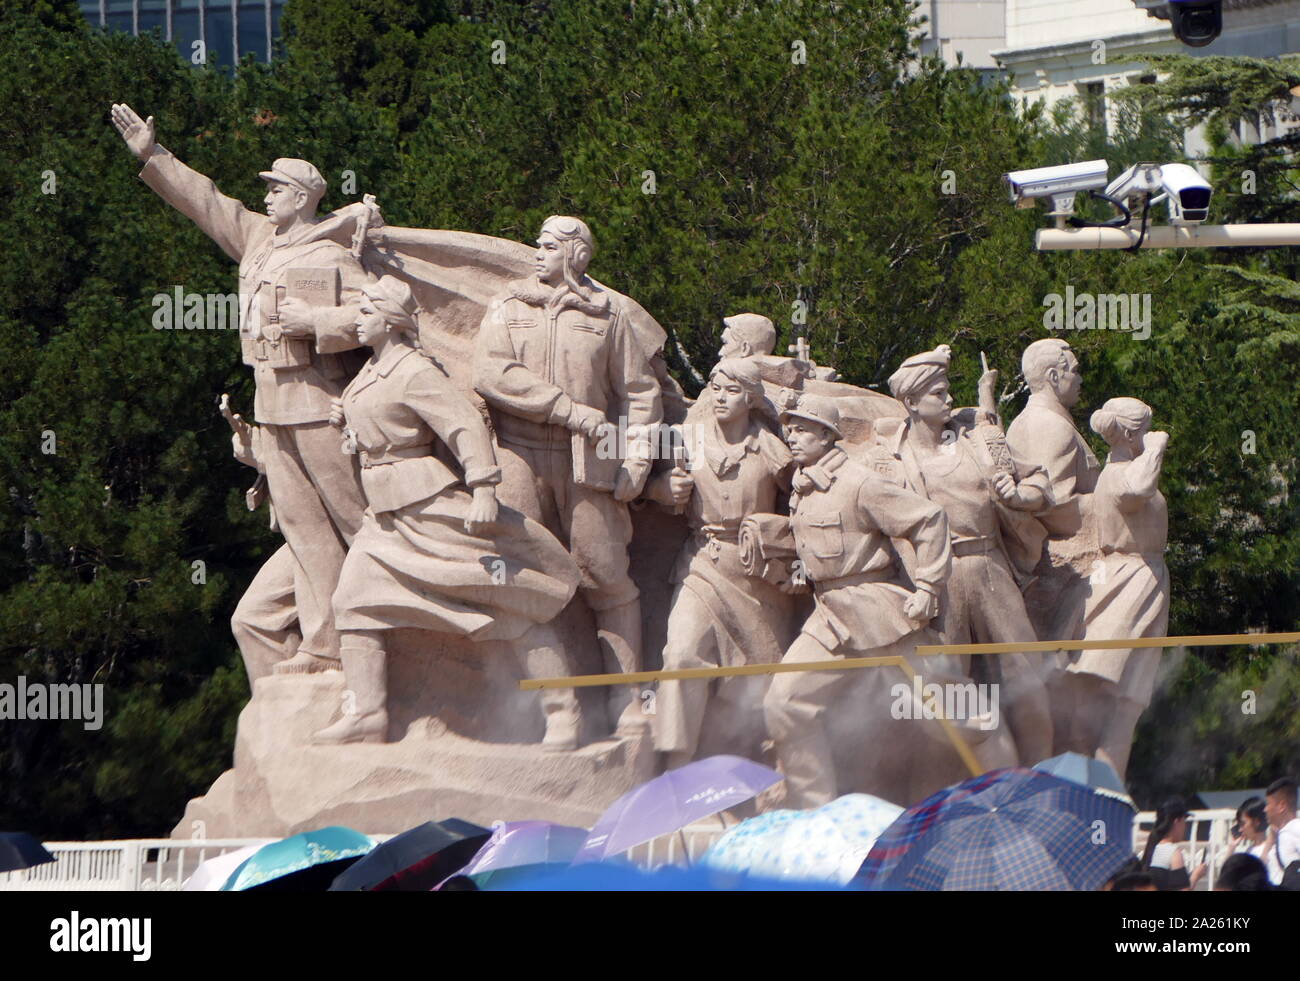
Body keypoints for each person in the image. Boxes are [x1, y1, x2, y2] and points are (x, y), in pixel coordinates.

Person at [111, 103, 371, 675]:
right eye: (268, 189)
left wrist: (317, 324)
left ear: (302, 196)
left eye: (277, 188)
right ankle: (325, 646)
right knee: (305, 532)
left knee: (359, 523)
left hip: (320, 406)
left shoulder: (330, 253)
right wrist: (154, 156)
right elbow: (206, 202)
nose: (268, 196)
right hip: (273, 407)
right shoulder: (258, 239)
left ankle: (402, 628)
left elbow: (374, 319)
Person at [313, 276, 582, 748]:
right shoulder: (373, 370)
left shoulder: (415, 370)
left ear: (392, 320)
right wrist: (351, 424)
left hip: (429, 507)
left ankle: (563, 711)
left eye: (366, 310)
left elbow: (463, 425)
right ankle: (367, 715)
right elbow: (383, 427)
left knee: (510, 598)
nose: (357, 318)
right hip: (385, 516)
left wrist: (482, 488)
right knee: (352, 604)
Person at [472, 216, 662, 736]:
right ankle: (559, 709)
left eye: (550, 245)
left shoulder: (610, 314)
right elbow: (490, 372)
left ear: (577, 255)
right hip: (519, 455)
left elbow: (640, 393)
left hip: (590, 463)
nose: (537, 251)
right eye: (537, 243)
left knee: (605, 576)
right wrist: (565, 409)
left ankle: (629, 702)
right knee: (520, 575)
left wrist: (638, 460)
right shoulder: (509, 306)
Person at [762, 394, 953, 809]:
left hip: (881, 615)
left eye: (802, 429)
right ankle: (816, 813)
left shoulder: (858, 482)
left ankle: (1007, 783)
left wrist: (928, 588)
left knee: (957, 713)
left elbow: (929, 519)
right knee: (784, 702)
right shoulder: (802, 485)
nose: (791, 436)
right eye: (789, 429)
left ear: (827, 436)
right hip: (829, 618)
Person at [869, 345, 1054, 766]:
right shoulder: (889, 459)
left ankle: (1041, 771)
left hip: (988, 566)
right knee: (945, 688)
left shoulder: (978, 439)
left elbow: (1039, 480)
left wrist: (1022, 495)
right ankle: (961, 780)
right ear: (911, 403)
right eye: (938, 393)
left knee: (1027, 673)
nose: (949, 399)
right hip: (935, 578)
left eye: (949, 390)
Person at [641, 358, 796, 767]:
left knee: (761, 677)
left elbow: (802, 504)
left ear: (750, 397)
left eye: (731, 390)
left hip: (756, 575)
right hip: (701, 565)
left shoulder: (772, 448)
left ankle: (755, 770)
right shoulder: (686, 441)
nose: (720, 396)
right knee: (681, 655)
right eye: (715, 387)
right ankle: (675, 763)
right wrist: (663, 489)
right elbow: (642, 485)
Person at [1005, 339, 1101, 752]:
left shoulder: (1036, 422)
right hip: (1063, 570)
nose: (1079, 379)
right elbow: (1052, 506)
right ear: (1053, 376)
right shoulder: (1051, 427)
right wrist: (1109, 500)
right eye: (1074, 370)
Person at [1065, 398, 1169, 780]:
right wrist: (1156, 448)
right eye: (1145, 429)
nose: (1152, 436)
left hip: (1144, 576)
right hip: (1127, 578)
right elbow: (1137, 490)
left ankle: (1109, 784)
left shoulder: (1125, 469)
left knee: (1128, 698)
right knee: (1106, 687)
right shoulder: (1122, 474)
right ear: (1129, 433)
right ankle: (1092, 782)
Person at [1140, 797, 1207, 890]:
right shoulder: (1173, 852)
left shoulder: (1153, 847)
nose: (1185, 826)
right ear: (1177, 821)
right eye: (1184, 821)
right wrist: (1196, 876)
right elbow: (1183, 889)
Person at [1264, 776, 1300, 887]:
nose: (1265, 809)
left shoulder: (1292, 830)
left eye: (1268, 804)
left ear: (1281, 806)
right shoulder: (1282, 833)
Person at [1224, 796, 1271, 864]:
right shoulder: (1249, 850)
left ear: (1256, 821)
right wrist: (1231, 849)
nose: (1240, 830)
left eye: (1243, 824)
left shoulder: (1271, 851)